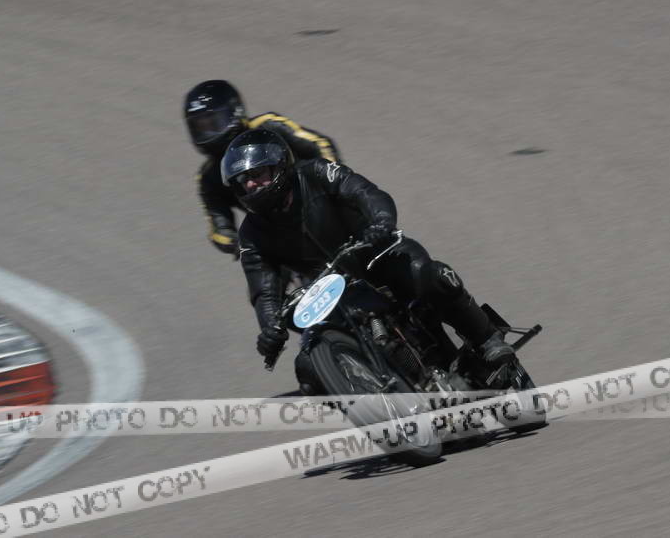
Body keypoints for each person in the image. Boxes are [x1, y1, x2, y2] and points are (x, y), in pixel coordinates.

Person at [220, 128, 515, 394]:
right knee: (307, 368)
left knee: (432, 275)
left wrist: (381, 221)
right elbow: (263, 289)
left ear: (280, 165)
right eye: (244, 180)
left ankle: (486, 339)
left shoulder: (316, 172)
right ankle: (381, 401)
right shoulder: (251, 235)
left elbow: (364, 192)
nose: (252, 184)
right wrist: (269, 328)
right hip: (332, 289)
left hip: (376, 254)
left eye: (258, 173)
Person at [183, 80, 342, 259]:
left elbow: (319, 144)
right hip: (279, 234)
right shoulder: (208, 178)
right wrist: (237, 242)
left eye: (214, 123)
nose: (208, 133)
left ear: (235, 112)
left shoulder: (268, 125)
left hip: (317, 200)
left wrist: (332, 179)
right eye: (201, 128)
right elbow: (219, 226)